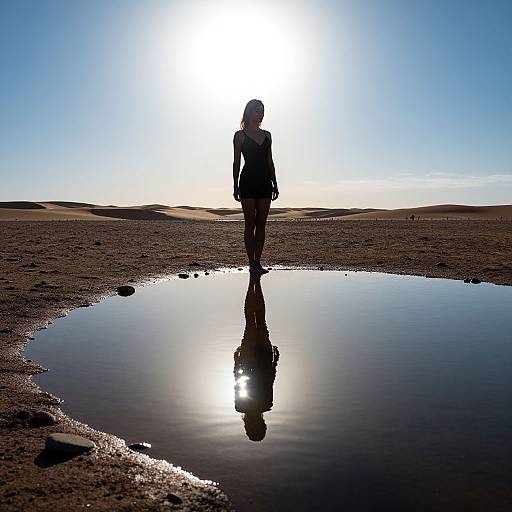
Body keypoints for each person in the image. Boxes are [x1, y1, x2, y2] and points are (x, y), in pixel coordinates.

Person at [233, 99, 279, 274]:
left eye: (262, 111)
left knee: (261, 224)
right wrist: (235, 185)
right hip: (247, 181)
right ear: (249, 112)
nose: (260, 114)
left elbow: (269, 160)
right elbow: (236, 162)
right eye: (257, 110)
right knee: (249, 223)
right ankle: (251, 263)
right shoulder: (240, 135)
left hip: (265, 182)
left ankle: (258, 262)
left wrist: (275, 183)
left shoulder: (267, 135)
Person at [233, 273, 279, 441]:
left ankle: (255, 284)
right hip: (251, 360)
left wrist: (275, 361)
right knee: (254, 321)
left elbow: (268, 380)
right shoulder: (242, 406)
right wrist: (236, 362)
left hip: (256, 360)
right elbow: (267, 381)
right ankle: (255, 284)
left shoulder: (265, 405)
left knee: (256, 321)